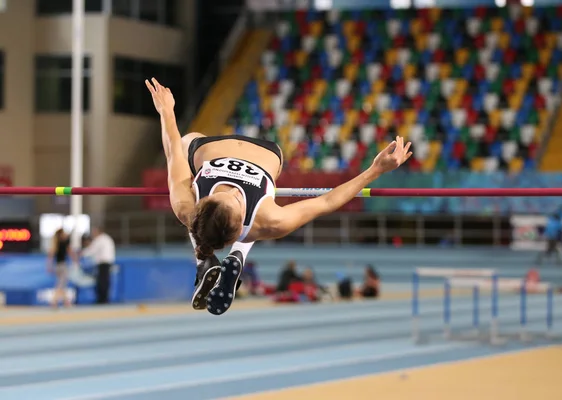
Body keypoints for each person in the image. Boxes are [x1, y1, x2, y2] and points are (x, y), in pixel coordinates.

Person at [145, 77, 412, 316]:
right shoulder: (269, 219)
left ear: (202, 201)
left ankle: (204, 260)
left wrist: (166, 110)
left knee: (185, 143)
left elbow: (173, 151)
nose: (237, 191)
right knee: (257, 225)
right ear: (241, 227)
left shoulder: (186, 205)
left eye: (226, 195)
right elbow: (327, 201)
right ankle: (234, 256)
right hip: (267, 152)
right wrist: (375, 170)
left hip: (221, 157)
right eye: (238, 201)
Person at [81, 226, 116, 304]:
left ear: (98, 232)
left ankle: (102, 299)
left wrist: (82, 253)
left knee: (102, 281)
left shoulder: (100, 239)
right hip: (107, 262)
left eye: (94, 232)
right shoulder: (107, 238)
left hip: (103, 263)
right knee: (105, 281)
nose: (93, 234)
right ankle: (104, 298)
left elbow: (92, 250)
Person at [46, 228, 77, 308]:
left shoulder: (55, 243)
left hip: (57, 266)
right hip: (62, 266)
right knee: (60, 284)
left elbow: (50, 256)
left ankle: (66, 302)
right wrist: (75, 260)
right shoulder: (64, 243)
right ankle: (54, 301)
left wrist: (49, 266)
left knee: (63, 284)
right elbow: (70, 252)